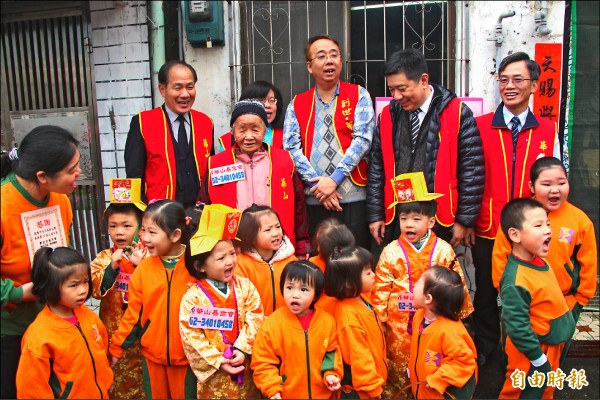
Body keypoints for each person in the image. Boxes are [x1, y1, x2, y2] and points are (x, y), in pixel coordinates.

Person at [472, 52, 560, 366]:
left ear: (535, 85)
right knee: (485, 288)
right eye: (504, 80)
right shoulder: (479, 125)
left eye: (518, 79)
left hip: (530, 231)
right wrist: (467, 220)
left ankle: (522, 346)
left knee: (526, 289)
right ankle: (486, 346)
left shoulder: (548, 131)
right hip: (488, 224)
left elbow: (553, 182)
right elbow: (469, 175)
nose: (509, 86)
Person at [366, 48, 483, 251]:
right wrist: (375, 214)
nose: (396, 96)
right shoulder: (387, 115)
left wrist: (464, 220)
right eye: (391, 90)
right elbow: (377, 168)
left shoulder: (457, 113)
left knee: (436, 280)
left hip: (439, 219)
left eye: (402, 88)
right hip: (398, 218)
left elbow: (472, 170)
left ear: (423, 80)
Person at [370, 172, 473, 398]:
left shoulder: (444, 250)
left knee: (430, 369)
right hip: (398, 328)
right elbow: (379, 291)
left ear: (431, 222)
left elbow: (457, 286)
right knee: (396, 370)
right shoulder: (391, 252)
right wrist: (381, 322)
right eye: (404, 218)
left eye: (416, 219)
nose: (409, 224)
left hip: (436, 326)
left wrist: (458, 318)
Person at [1, 125, 81, 399]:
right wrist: (15, 293)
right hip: (10, 328)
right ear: (42, 176)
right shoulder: (2, 205)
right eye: (71, 170)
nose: (78, 174)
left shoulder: (60, 200)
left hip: (52, 318)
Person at [283, 34, 374, 249]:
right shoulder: (297, 103)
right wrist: (319, 185)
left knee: (355, 260)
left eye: (334, 55)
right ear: (309, 66)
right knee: (321, 262)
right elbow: (290, 148)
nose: (329, 61)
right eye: (321, 56)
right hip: (315, 199)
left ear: (341, 61)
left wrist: (333, 180)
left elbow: (363, 140)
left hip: (354, 198)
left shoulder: (359, 95)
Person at [492, 157, 597, 325]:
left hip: (563, 302)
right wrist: (505, 292)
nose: (555, 190)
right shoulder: (517, 215)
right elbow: (500, 256)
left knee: (555, 348)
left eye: (561, 183)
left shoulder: (580, 221)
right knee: (519, 344)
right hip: (521, 299)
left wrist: (579, 300)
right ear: (532, 187)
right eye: (546, 185)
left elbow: (588, 264)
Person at [109, 200, 196, 399]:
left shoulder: (195, 266)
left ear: (175, 235)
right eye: (143, 230)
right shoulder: (144, 270)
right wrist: (116, 348)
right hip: (152, 358)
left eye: (152, 232)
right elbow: (133, 315)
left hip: (188, 359)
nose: (144, 238)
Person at [200, 99, 309, 257]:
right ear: (232, 131)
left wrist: (301, 247)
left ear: (265, 131)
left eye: (255, 129)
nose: (248, 137)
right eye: (242, 130)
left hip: (277, 250)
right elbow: (205, 208)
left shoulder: (284, 161)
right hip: (233, 252)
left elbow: (299, 209)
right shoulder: (217, 164)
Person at [179, 204, 264, 398]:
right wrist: (218, 360)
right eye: (221, 258)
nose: (230, 261)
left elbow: (256, 316)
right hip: (215, 373)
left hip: (245, 363)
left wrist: (243, 349)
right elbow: (191, 336)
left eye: (232, 253)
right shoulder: (192, 298)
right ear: (200, 266)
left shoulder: (245, 286)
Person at [497, 198, 575, 399]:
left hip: (550, 347)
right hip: (531, 354)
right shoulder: (516, 280)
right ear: (515, 234)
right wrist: (538, 359)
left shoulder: (539, 260)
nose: (548, 230)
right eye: (538, 225)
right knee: (522, 393)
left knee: (545, 392)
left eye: (548, 224)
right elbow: (516, 326)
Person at [16, 247, 114, 398]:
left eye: (85, 282)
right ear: (51, 287)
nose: (83, 290)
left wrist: (106, 380)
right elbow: (31, 388)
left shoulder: (87, 314)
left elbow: (102, 346)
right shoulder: (39, 336)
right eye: (74, 285)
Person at [125, 60, 214, 208]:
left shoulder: (205, 122)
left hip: (199, 215)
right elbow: (134, 178)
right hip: (160, 217)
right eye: (177, 87)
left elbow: (211, 172)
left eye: (190, 87)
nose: (185, 94)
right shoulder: (142, 122)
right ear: (162, 89)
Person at [252, 260, 343, 398]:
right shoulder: (272, 325)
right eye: (289, 287)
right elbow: (263, 362)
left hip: (322, 395)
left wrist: (331, 374)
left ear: (316, 295)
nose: (295, 294)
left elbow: (331, 352)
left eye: (304, 289)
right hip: (287, 395)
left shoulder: (327, 321)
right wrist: (271, 387)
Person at [90, 178, 146, 399]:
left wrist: (140, 266)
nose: (119, 232)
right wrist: (112, 266)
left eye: (127, 226)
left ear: (140, 227)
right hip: (113, 335)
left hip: (142, 337)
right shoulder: (104, 257)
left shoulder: (149, 258)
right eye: (113, 226)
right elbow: (94, 290)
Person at [325, 246, 387, 399]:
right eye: (368, 273)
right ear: (348, 283)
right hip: (361, 392)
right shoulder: (348, 318)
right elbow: (360, 359)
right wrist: (373, 389)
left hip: (374, 379)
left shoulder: (362, 297)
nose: (374, 275)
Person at [408, 266, 478, 399]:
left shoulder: (450, 332)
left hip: (437, 394)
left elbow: (463, 362)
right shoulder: (419, 316)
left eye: (418, 283)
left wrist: (438, 379)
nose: (414, 285)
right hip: (421, 391)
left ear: (428, 299)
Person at [234, 204, 296, 316]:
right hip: (255, 326)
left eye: (278, 227)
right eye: (268, 230)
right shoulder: (240, 264)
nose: (276, 233)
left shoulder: (291, 260)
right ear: (250, 236)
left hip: (286, 324)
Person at [218, 80, 285, 152]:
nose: (267, 105)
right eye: (261, 100)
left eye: (271, 100)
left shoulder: (285, 137)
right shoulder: (227, 141)